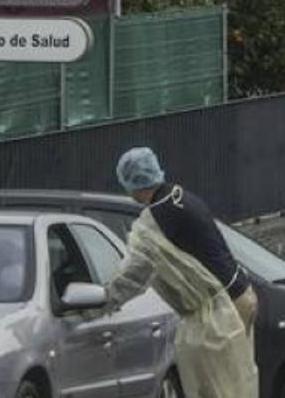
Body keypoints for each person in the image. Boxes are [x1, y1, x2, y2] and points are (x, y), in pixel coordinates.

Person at [101, 147, 257, 398]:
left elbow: (135, 273)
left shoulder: (157, 217)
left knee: (216, 389)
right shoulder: (182, 196)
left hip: (220, 310)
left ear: (132, 181)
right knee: (237, 383)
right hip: (242, 294)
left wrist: (105, 300)